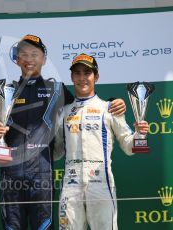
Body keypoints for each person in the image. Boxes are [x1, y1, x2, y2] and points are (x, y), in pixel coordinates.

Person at [0, 35, 127, 230]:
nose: (29, 59)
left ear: (44, 59)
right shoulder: (4, 91)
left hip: (42, 175)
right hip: (11, 174)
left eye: (35, 54)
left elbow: (83, 106)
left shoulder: (57, 90)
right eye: (24, 54)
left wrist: (116, 103)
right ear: (17, 59)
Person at [54, 53, 149, 230]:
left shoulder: (109, 108)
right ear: (72, 77)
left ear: (96, 76)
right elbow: (56, 152)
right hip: (70, 183)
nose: (82, 78)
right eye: (77, 73)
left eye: (87, 73)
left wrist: (140, 134)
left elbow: (129, 146)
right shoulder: (63, 112)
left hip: (101, 182)